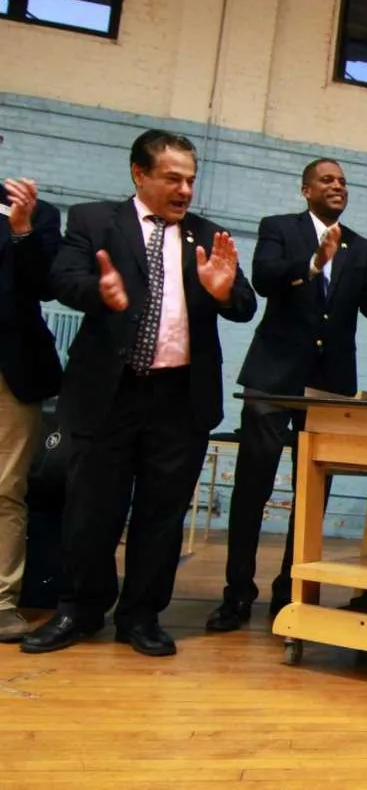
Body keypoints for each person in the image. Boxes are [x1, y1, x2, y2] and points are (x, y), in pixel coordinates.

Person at [20, 129, 257, 657]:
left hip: (180, 398)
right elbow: (64, 279)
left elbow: (244, 304)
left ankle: (141, 616)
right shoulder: (94, 220)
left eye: (191, 180)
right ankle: (80, 610)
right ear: (139, 173)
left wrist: (224, 293)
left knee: (162, 515)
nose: (185, 190)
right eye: (173, 178)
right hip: (108, 392)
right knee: (91, 512)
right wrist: (98, 291)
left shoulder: (206, 235)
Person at [206, 158, 367, 631]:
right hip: (272, 377)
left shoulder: (360, 247)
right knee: (252, 489)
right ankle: (237, 595)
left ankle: (289, 594)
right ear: (306, 190)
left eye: (343, 181)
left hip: (329, 385)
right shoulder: (279, 228)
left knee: (312, 496)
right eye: (327, 180)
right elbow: (264, 278)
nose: (338, 186)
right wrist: (315, 262)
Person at [0, 177, 62, 642]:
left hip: (13, 369)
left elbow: (46, 285)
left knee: (6, 488)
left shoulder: (34, 211)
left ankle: (1, 601)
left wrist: (22, 232)